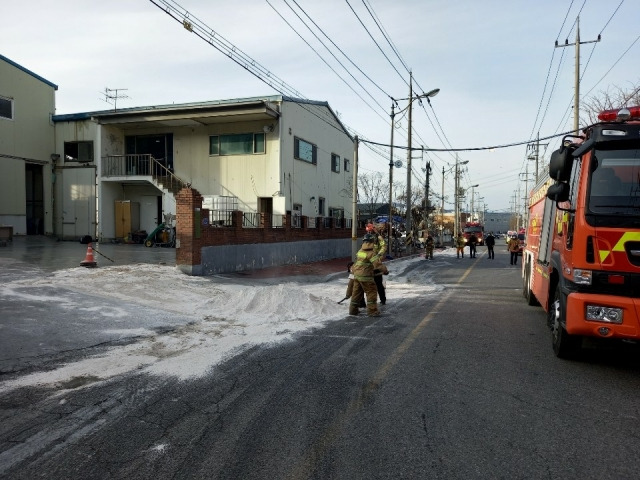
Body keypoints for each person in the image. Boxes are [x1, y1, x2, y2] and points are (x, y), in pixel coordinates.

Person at [350, 233, 384, 316]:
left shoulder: (360, 251)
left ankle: (353, 311)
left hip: (357, 276)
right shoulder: (371, 253)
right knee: (371, 293)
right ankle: (372, 311)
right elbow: (377, 264)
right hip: (366, 276)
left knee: (356, 294)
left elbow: (357, 262)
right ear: (372, 241)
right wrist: (385, 270)